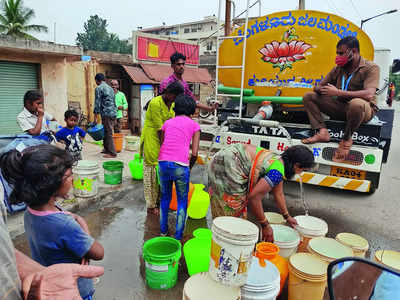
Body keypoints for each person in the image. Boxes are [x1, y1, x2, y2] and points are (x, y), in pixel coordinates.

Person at [0, 144, 104, 300]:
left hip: (45, 277)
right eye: (69, 176)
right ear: (50, 184)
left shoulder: (31, 211)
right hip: (72, 288)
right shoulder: (64, 225)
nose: (73, 179)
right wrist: (82, 224)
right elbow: (98, 253)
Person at [208, 144, 315, 242]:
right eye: (302, 170)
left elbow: (279, 193)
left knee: (230, 203)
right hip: (230, 162)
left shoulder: (279, 162)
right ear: (296, 165)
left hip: (227, 154)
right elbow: (254, 197)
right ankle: (225, 239)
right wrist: (265, 225)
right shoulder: (277, 172)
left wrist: (287, 217)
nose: (299, 173)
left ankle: (224, 236)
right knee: (232, 206)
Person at [301, 36, 379, 161]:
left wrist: (338, 92)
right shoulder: (338, 69)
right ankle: (322, 131)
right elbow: (318, 86)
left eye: (341, 53)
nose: (338, 56)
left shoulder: (371, 68)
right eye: (337, 53)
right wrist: (323, 90)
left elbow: (369, 95)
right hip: (342, 107)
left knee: (356, 104)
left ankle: (347, 139)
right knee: (309, 96)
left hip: (363, 110)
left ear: (353, 52)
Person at [158, 94, 201, 240]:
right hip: (181, 166)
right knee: (182, 202)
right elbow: (194, 153)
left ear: (176, 108)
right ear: (191, 110)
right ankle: (177, 236)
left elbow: (162, 142)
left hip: (163, 163)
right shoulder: (194, 125)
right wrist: (189, 166)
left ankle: (163, 232)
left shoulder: (167, 123)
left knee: (164, 199)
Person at [140, 81, 184, 216]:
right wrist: (167, 148)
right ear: (169, 93)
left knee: (163, 171)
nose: (175, 100)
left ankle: (160, 201)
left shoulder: (173, 104)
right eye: (174, 97)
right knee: (153, 172)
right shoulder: (155, 103)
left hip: (164, 137)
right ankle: (151, 205)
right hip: (153, 138)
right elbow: (160, 130)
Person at [94, 73, 117, 158]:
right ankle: (106, 149)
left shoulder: (99, 88)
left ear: (97, 80)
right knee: (106, 131)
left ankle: (112, 153)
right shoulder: (110, 88)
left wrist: (95, 118)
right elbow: (114, 101)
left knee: (108, 133)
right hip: (113, 113)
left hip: (106, 113)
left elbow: (97, 104)